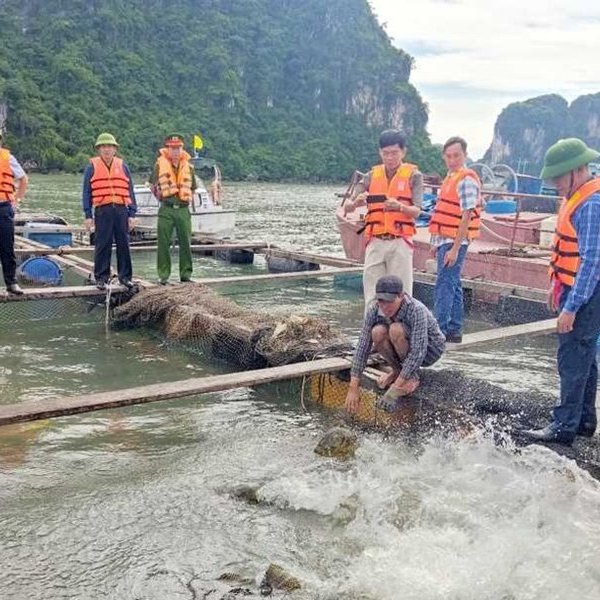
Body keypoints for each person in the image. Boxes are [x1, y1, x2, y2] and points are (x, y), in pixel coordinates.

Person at [522, 138, 600, 445]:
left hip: (587, 293)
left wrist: (572, 307)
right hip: (572, 287)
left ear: (577, 170)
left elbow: (593, 262)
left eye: (558, 177)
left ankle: (563, 425)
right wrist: (557, 287)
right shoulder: (578, 196)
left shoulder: (591, 204)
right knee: (585, 356)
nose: (555, 183)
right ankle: (584, 419)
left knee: (572, 357)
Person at [345, 275, 446, 414]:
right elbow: (363, 345)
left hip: (430, 349)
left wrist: (394, 390)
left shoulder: (416, 309)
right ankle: (397, 371)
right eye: (381, 301)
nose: (385, 307)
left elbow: (418, 352)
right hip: (405, 347)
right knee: (377, 332)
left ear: (401, 296)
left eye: (389, 301)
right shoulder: (374, 308)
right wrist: (353, 386)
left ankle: (410, 377)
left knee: (396, 329)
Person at [343, 129, 423, 305]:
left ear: (403, 151)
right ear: (380, 152)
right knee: (371, 292)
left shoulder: (414, 176)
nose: (389, 158)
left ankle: (401, 330)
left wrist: (400, 206)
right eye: (385, 153)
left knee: (402, 293)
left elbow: (417, 210)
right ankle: (371, 329)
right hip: (376, 240)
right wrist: (356, 201)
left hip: (400, 240)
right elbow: (354, 197)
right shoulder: (372, 175)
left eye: (394, 153)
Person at [428, 136, 481, 343]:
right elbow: (440, 212)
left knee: (444, 284)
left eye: (456, 155)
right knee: (454, 283)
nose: (452, 160)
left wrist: (455, 248)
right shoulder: (451, 177)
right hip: (444, 239)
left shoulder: (466, 179)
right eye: (448, 156)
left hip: (454, 241)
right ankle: (455, 329)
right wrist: (435, 243)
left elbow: (467, 215)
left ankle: (437, 331)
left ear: (465, 155)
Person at [82, 132, 136, 290]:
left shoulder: (123, 166)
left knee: (123, 244)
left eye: (110, 147)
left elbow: (130, 190)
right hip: (102, 210)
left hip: (121, 210)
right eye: (103, 147)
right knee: (102, 244)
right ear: (99, 149)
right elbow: (87, 192)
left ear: (115, 149)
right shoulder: (91, 167)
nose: (107, 150)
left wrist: (132, 213)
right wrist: (87, 215)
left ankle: (125, 277)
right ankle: (101, 277)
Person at [151, 134, 196, 284]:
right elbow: (153, 185)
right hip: (166, 209)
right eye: (172, 148)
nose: (175, 151)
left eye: (178, 148)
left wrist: (185, 199)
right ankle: (163, 275)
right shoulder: (159, 164)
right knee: (163, 242)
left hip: (183, 209)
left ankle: (186, 275)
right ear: (167, 149)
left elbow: (193, 188)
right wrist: (162, 198)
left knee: (186, 242)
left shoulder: (189, 167)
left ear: (182, 148)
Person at [0, 131, 28, 295]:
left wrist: (16, 199)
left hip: (3, 207)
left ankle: (11, 282)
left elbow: (23, 179)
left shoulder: (7, 158)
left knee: (6, 246)